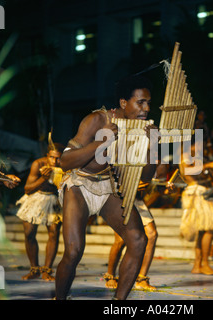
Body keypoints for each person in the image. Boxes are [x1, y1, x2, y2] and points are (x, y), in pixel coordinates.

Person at [55, 75, 158, 300]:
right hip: (79, 184)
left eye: (148, 102)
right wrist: (101, 142)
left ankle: (118, 303)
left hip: (108, 186)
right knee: (73, 251)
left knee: (139, 240)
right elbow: (65, 162)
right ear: (123, 103)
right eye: (140, 102)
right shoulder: (96, 119)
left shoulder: (143, 129)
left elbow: (146, 179)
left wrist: (152, 147)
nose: (146, 108)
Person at [16, 141, 64, 281]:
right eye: (52, 157)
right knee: (29, 233)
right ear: (47, 156)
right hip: (35, 198)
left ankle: (47, 270)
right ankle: (34, 269)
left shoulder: (65, 166)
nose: (54, 161)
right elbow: (27, 189)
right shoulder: (38, 164)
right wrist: (44, 178)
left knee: (54, 233)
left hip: (54, 200)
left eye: (58, 158)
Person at [179, 139, 213, 275]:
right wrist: (209, 165)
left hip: (203, 193)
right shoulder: (185, 156)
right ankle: (205, 264)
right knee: (208, 230)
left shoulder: (197, 158)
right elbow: (188, 171)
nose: (201, 146)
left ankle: (198, 265)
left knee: (203, 231)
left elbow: (210, 176)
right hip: (196, 195)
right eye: (199, 143)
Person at [104, 188, 158, 291]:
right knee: (120, 240)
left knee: (151, 234)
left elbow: (158, 188)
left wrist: (167, 189)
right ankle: (110, 275)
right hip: (120, 198)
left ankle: (142, 279)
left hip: (137, 200)